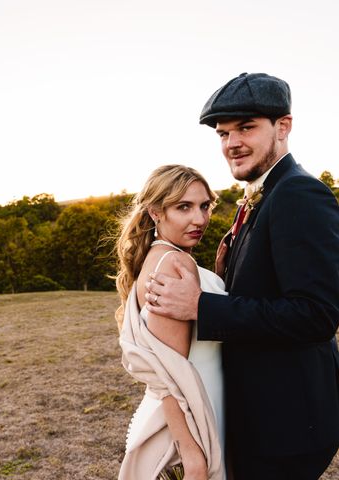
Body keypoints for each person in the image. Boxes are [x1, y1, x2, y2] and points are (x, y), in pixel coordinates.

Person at [145, 72, 339, 479]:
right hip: (263, 414)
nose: (231, 143)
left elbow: (316, 314)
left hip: (289, 423)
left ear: (283, 127)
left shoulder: (299, 193)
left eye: (245, 128)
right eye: (223, 133)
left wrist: (201, 306)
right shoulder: (261, 195)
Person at [115, 165, 226, 480]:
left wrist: (217, 277)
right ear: (155, 212)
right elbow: (169, 378)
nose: (199, 219)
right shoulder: (176, 264)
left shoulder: (157, 256)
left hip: (177, 419)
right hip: (180, 431)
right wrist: (192, 457)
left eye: (205, 206)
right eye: (184, 207)